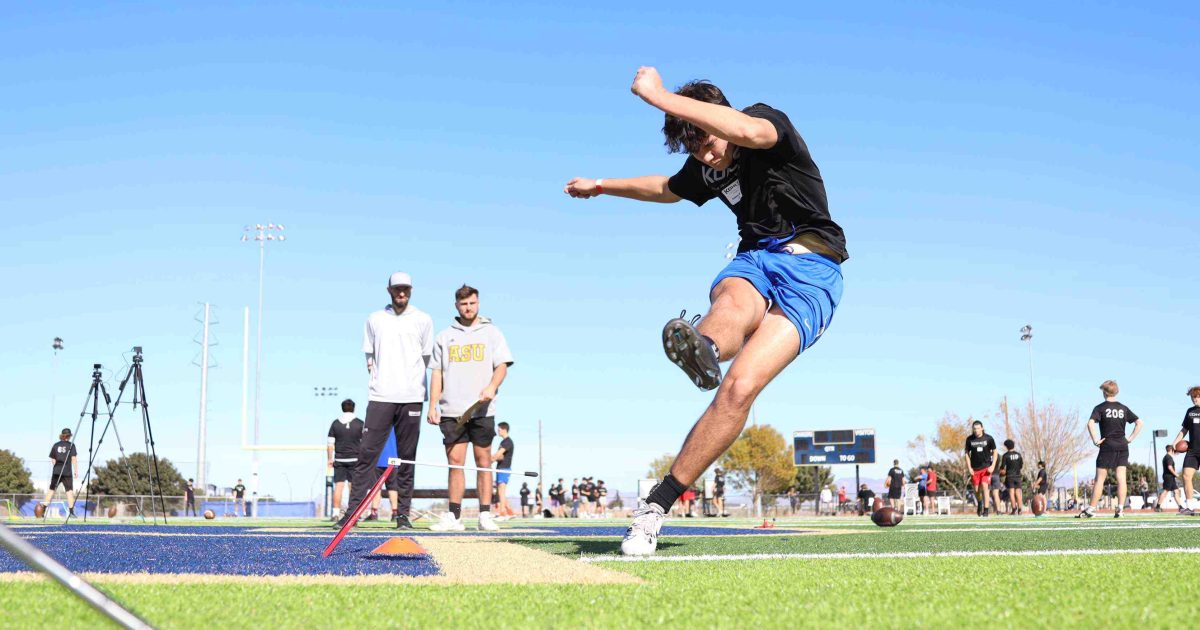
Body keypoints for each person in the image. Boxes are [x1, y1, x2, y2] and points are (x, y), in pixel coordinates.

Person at [565, 67, 847, 556]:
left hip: (813, 268)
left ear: (721, 118)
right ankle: (704, 349)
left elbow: (745, 132)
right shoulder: (707, 164)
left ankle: (662, 494)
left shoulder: (763, 124)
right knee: (733, 299)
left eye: (708, 143)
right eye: (695, 150)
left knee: (741, 387)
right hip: (755, 259)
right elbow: (667, 189)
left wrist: (658, 97)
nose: (707, 155)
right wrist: (602, 185)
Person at [338, 271, 433, 531]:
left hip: (412, 398)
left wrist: (411, 383)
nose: (401, 293)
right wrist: (384, 380)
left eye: (406, 289)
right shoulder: (375, 319)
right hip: (381, 397)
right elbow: (369, 357)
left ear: (411, 290)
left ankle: (402, 515)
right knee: (366, 456)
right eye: (397, 289)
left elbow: (426, 359)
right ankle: (353, 513)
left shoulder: (423, 319)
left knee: (406, 459)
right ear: (389, 290)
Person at [426, 285, 514, 532]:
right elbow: (436, 373)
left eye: (473, 303)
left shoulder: (492, 333)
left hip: (482, 410)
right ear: (456, 305)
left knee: (483, 460)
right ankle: (454, 517)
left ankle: (485, 514)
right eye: (464, 304)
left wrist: (492, 386)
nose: (468, 308)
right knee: (455, 462)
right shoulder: (445, 336)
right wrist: (433, 405)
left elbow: (503, 366)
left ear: (478, 303)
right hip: (451, 410)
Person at [1078, 380, 1143, 518]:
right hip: (1122, 445)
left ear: (1104, 392)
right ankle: (1120, 509)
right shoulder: (1123, 408)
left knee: (1100, 479)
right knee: (1121, 478)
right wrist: (1130, 439)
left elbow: (1090, 424)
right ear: (1117, 392)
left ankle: (1091, 509)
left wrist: (1096, 440)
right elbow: (1139, 422)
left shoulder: (1100, 408)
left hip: (1107, 445)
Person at [326, 398, 364, 521]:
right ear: (354, 408)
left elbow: (330, 444)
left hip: (340, 459)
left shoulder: (335, 423)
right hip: (355, 459)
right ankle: (354, 513)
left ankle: (335, 514)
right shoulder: (359, 423)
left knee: (338, 486)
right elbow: (365, 443)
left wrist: (330, 459)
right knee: (353, 488)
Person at [1170, 386, 1200, 515]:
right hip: (1192, 450)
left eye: (1197, 396)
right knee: (1186, 476)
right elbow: (1184, 430)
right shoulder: (1189, 411)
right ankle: (1190, 507)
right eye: (1193, 397)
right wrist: (1174, 443)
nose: (1195, 399)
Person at [965, 420, 998, 517]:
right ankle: (979, 503)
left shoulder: (989, 438)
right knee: (976, 490)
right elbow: (967, 454)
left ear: (982, 428)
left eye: (978, 428)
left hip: (986, 468)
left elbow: (995, 452)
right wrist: (969, 467)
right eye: (974, 429)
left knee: (985, 486)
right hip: (975, 469)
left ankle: (986, 510)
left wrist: (992, 466)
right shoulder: (969, 439)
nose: (976, 430)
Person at [43, 428, 78, 516]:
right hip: (67, 471)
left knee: (51, 490)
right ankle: (71, 512)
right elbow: (73, 458)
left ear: (62, 435)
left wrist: (56, 467)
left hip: (56, 471)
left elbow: (53, 459)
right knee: (69, 491)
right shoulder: (71, 445)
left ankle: (43, 509)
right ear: (69, 436)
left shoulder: (55, 445)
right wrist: (76, 470)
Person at [492, 422, 517, 519]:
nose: (498, 431)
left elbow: (498, 455)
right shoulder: (504, 442)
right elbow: (501, 456)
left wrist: (490, 460)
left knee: (501, 491)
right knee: (500, 491)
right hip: (500, 468)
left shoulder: (507, 442)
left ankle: (503, 512)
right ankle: (510, 512)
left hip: (504, 468)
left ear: (504, 429)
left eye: (499, 429)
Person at [1156, 444, 1186, 513]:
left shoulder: (1167, 457)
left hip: (1171, 477)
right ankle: (1158, 506)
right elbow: (1169, 467)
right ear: (1171, 450)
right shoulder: (1168, 457)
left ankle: (1180, 507)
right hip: (1168, 477)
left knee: (1176, 491)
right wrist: (1176, 474)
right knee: (1165, 491)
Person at [1001, 439, 1025, 515]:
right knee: (1018, 492)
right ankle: (1020, 509)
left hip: (1009, 476)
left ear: (1007, 447)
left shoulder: (1005, 455)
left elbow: (1002, 467)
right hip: (1018, 476)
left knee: (1011, 493)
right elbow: (1021, 465)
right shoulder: (1018, 455)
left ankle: (1014, 509)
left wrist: (1001, 472)